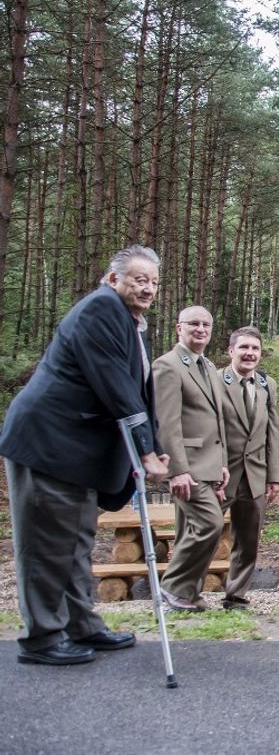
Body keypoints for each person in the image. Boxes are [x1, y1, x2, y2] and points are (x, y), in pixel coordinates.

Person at [0, 245, 168, 665]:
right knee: (45, 546)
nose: (147, 288)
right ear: (113, 280)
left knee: (75, 542)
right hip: (49, 445)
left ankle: (81, 623)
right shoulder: (101, 310)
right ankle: (41, 638)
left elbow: (139, 395)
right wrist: (146, 454)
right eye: (138, 279)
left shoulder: (127, 322)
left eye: (152, 282)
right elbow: (117, 388)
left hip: (75, 453)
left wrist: (155, 446)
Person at [154, 305, 230, 612]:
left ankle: (187, 594)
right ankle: (173, 586)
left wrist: (221, 462)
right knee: (210, 522)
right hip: (187, 465)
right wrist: (176, 470)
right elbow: (166, 422)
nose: (200, 329)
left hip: (209, 463)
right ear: (179, 328)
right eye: (193, 324)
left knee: (194, 528)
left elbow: (217, 419)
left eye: (206, 325)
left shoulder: (208, 367)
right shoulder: (167, 366)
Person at [217, 327, 279, 611]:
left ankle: (237, 594)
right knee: (204, 532)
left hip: (254, 474)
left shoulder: (267, 386)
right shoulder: (215, 381)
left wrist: (273, 477)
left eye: (255, 349)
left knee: (249, 538)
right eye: (244, 348)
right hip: (219, 472)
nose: (250, 353)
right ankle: (185, 593)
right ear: (231, 351)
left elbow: (272, 433)